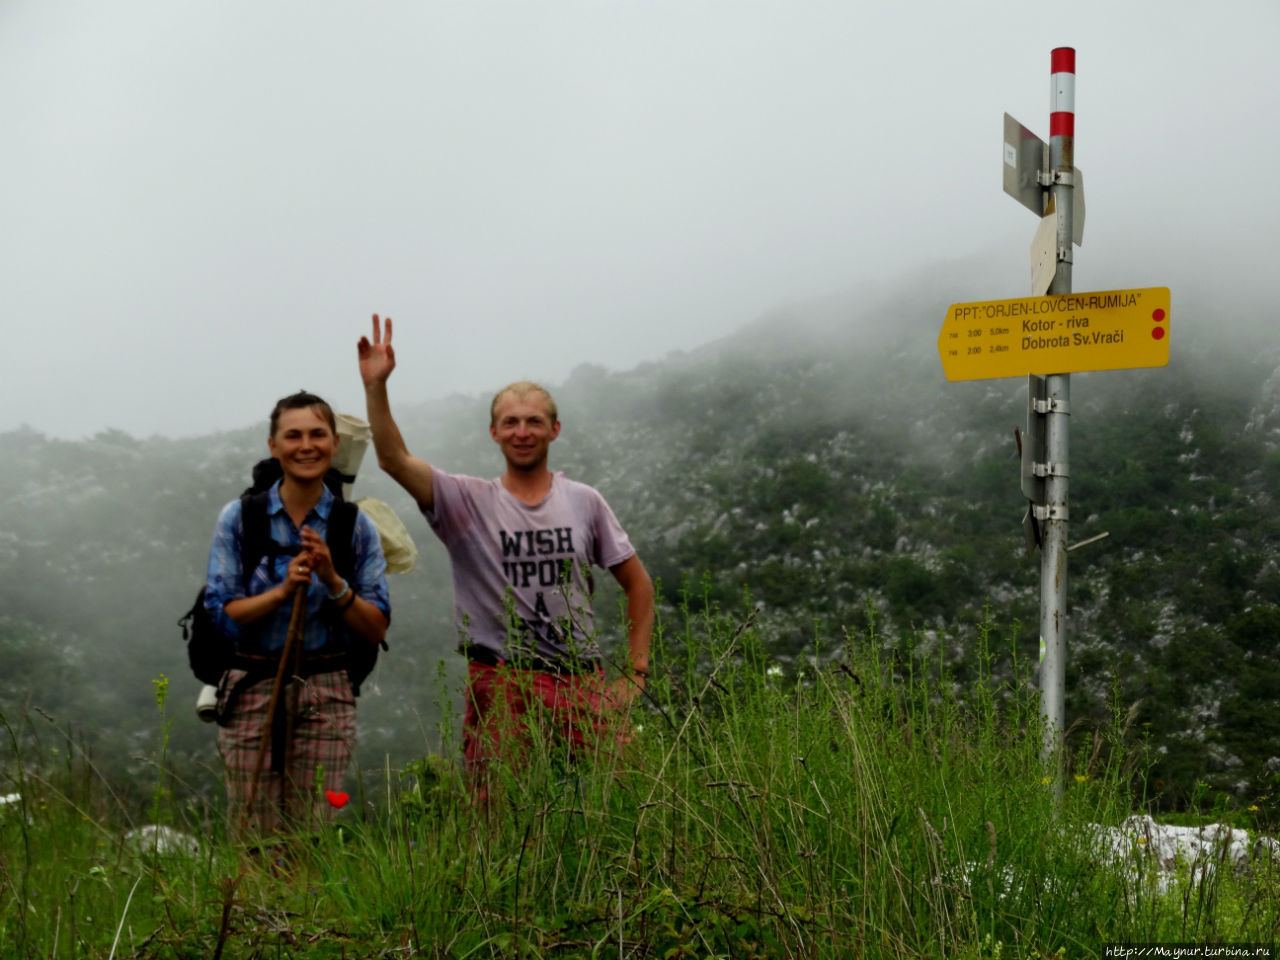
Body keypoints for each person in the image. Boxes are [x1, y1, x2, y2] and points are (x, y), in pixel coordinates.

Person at [357, 314, 653, 802]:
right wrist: (376, 388)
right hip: (500, 681)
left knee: (630, 803)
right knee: (500, 821)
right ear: (493, 432)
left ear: (554, 429)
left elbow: (638, 585)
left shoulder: (584, 501)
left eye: (534, 421)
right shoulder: (466, 502)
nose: (522, 431)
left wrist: (635, 676)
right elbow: (393, 460)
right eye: (510, 422)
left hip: (580, 679)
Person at [204, 391, 390, 836]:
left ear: (333, 444)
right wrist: (284, 591)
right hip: (252, 685)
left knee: (313, 833)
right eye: (293, 435)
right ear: (274, 446)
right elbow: (222, 613)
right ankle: (256, 908)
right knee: (253, 834)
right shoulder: (241, 518)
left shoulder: (354, 524)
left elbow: (376, 625)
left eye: (317, 434)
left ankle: (308, 908)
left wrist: (332, 579)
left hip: (327, 689)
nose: (306, 445)